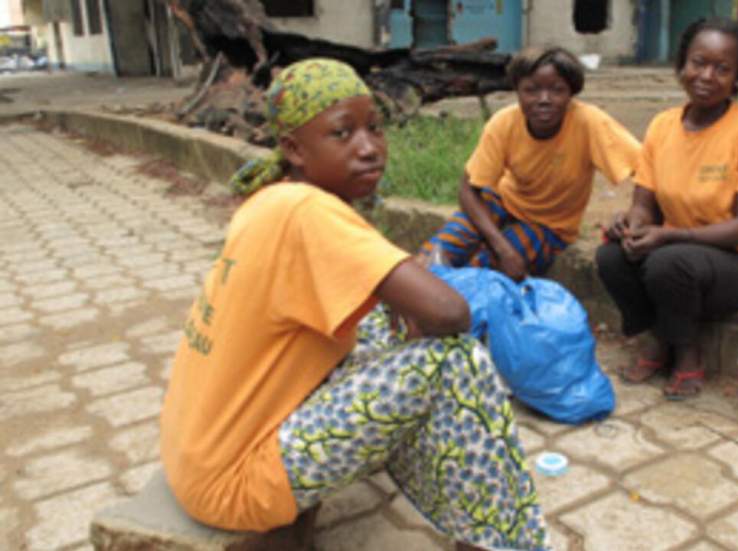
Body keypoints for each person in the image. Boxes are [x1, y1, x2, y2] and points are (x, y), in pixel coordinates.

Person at [159, 58, 550, 551]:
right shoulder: (307, 211)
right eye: (342, 134)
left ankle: (450, 492)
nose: (369, 148)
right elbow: (451, 313)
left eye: (375, 128)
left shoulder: (269, 199)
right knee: (455, 360)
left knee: (378, 325)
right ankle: (501, 542)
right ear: (293, 149)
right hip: (234, 482)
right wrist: (419, 289)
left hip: (194, 456)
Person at [595, 18, 738, 399]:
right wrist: (629, 224)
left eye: (722, 69)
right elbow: (644, 205)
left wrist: (669, 235)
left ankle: (686, 350)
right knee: (612, 256)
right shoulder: (663, 125)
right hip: (678, 257)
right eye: (698, 62)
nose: (707, 76)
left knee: (667, 263)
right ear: (682, 64)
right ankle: (659, 338)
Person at [419, 46, 641, 280]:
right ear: (517, 91)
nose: (544, 100)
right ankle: (408, 300)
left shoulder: (589, 122)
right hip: (503, 202)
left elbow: (646, 171)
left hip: (549, 225)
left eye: (557, 90)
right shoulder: (504, 122)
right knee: (444, 247)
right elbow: (468, 189)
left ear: (571, 93)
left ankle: (450, 306)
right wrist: (500, 244)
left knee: (485, 271)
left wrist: (633, 214)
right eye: (531, 90)